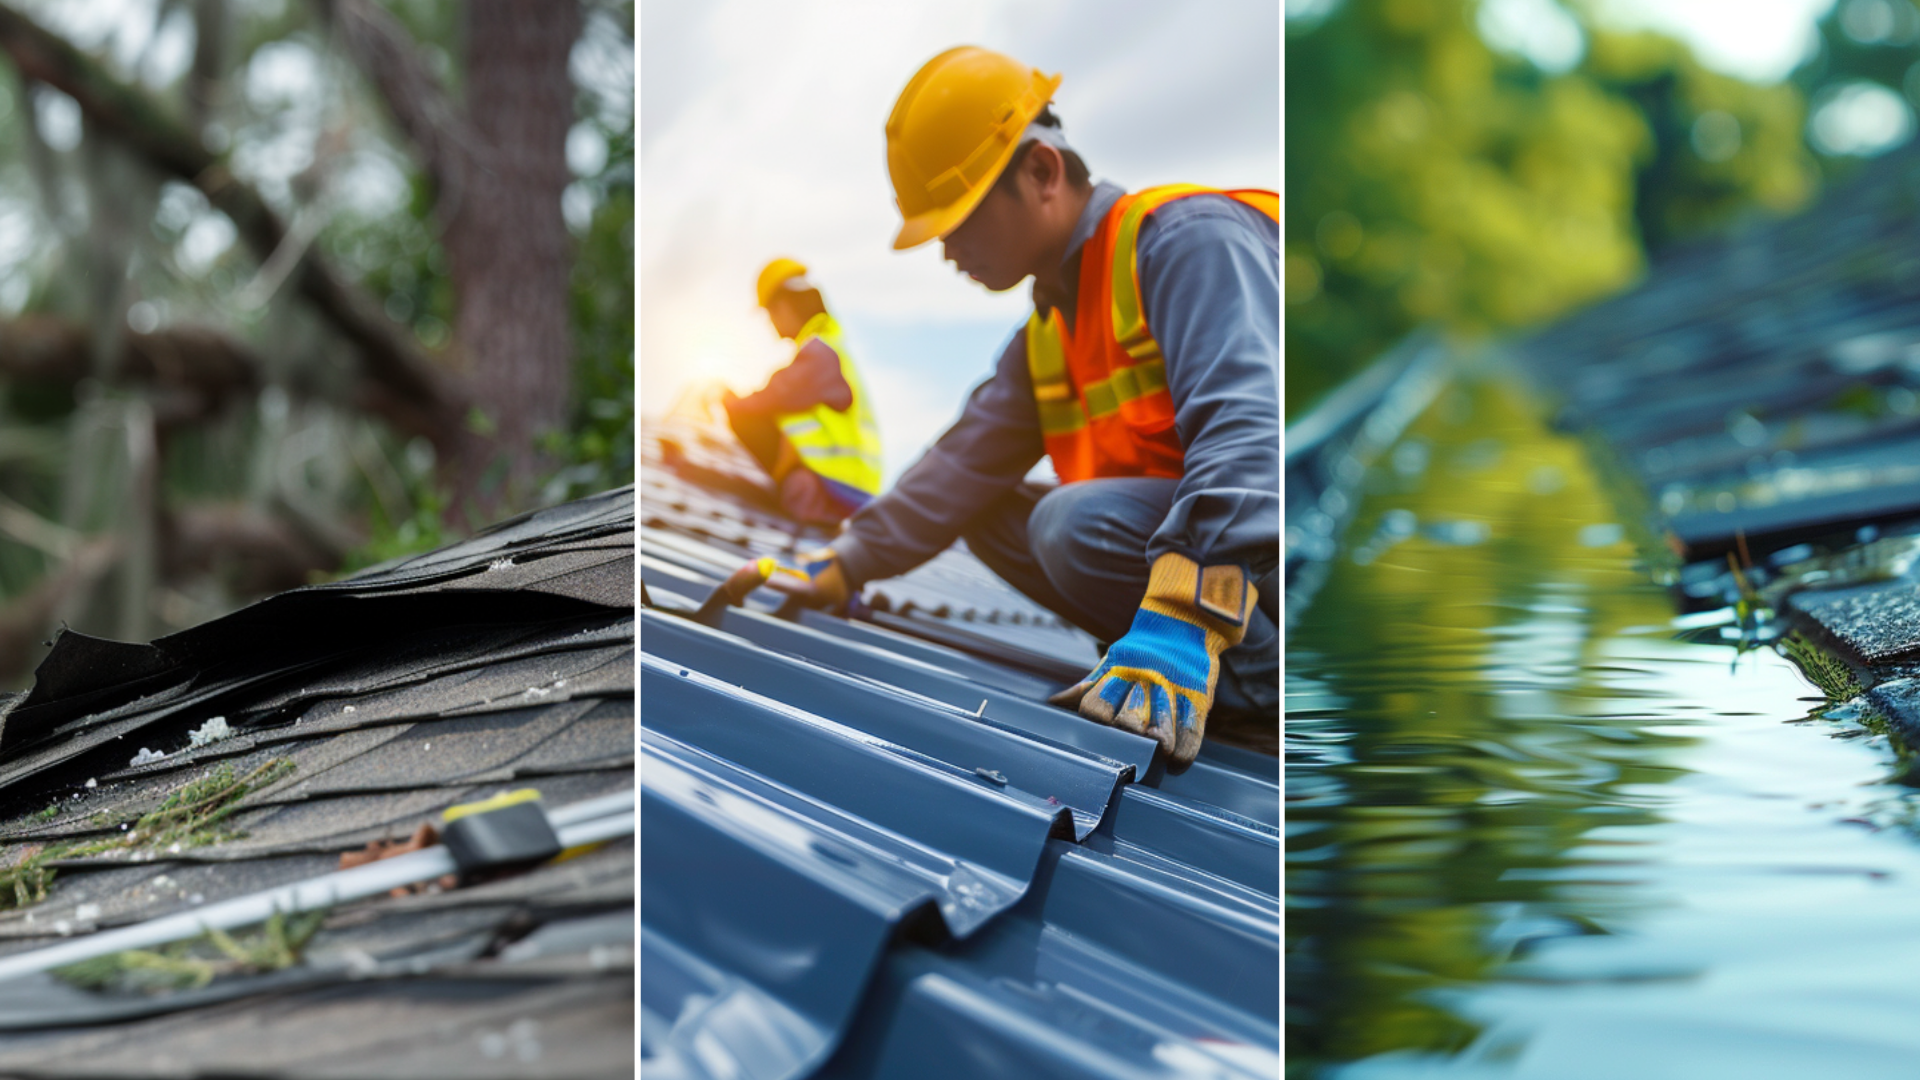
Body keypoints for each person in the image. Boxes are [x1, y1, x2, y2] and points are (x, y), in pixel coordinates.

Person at [746, 46, 1278, 770]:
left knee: (1068, 521)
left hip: (1267, 567)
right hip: (1202, 563)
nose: (946, 252)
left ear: (1041, 172)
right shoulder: (1047, 332)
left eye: (958, 222)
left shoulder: (1185, 242)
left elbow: (1248, 437)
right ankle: (1180, 656)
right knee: (991, 510)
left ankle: (1255, 693)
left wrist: (1183, 611)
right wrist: (843, 562)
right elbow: (960, 466)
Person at [719, 259, 884, 525]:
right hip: (846, 489)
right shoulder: (830, 348)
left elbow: (772, 396)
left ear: (782, 307)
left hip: (830, 490)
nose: (769, 323)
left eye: (768, 314)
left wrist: (723, 398)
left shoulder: (820, 352)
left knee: (742, 416)